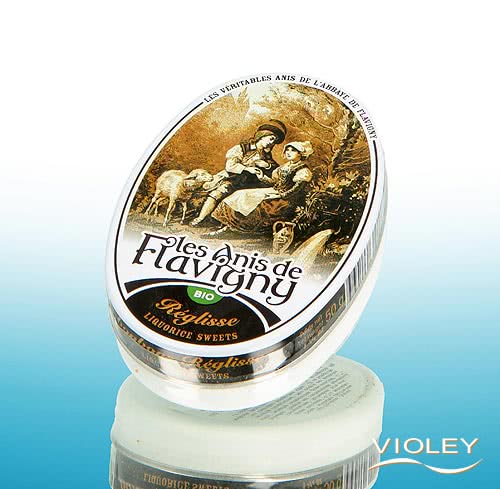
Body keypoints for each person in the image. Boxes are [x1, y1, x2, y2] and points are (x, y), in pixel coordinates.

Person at [190, 120, 287, 226]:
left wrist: (267, 166)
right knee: (218, 193)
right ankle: (201, 218)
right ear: (263, 135)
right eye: (271, 138)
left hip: (252, 183)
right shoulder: (242, 148)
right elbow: (230, 166)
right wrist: (247, 169)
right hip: (234, 178)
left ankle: (232, 223)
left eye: (274, 141)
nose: (272, 143)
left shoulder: (266, 155)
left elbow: (275, 170)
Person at [209, 141, 314, 234]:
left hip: (287, 198)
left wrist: (280, 195)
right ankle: (226, 223)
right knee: (240, 194)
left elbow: (296, 189)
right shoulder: (284, 166)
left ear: (300, 154)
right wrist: (261, 176)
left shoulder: (303, 170)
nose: (288, 152)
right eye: (287, 150)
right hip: (275, 190)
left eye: (293, 150)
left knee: (256, 201)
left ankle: (234, 227)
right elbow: (273, 182)